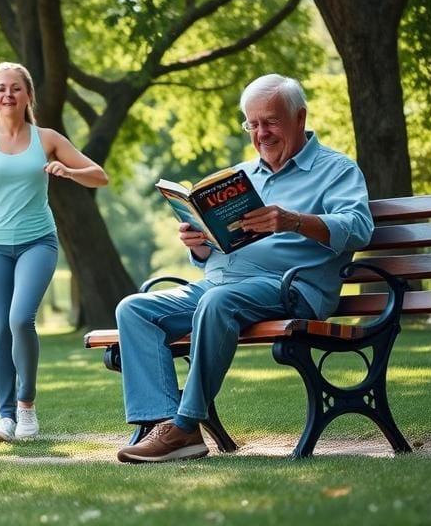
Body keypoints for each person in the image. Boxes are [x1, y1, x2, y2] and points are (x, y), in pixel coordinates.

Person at [114, 74, 374, 463]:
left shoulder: (336, 170)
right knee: (134, 309)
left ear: (299, 117)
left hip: (290, 288)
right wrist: (200, 246)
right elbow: (221, 249)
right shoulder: (241, 176)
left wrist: (294, 221)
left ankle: (185, 424)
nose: (261, 133)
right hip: (220, 284)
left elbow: (359, 228)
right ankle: (164, 423)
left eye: (270, 121)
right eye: (252, 124)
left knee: (219, 301)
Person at [0, 62, 108, 442]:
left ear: (28, 95)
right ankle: (5, 418)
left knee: (20, 319)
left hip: (37, 242)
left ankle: (26, 408)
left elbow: (99, 175)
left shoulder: (46, 138)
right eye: (0, 89)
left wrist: (68, 172)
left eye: (15, 88)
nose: (8, 95)